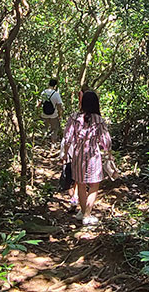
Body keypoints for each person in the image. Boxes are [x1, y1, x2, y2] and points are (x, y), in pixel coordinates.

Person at [61, 89, 111, 226]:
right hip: (93, 155)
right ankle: (87, 215)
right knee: (94, 184)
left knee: (81, 185)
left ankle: (83, 213)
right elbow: (106, 141)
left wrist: (65, 155)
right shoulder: (99, 120)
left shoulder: (74, 117)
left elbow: (67, 138)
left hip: (78, 155)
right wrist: (109, 155)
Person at [39, 79, 64, 145]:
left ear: (48, 84)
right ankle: (53, 143)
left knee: (44, 128)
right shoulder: (56, 94)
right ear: (55, 86)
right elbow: (59, 106)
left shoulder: (43, 92)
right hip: (54, 115)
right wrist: (60, 115)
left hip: (44, 114)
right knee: (54, 129)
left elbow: (38, 104)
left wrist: (38, 113)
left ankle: (44, 143)